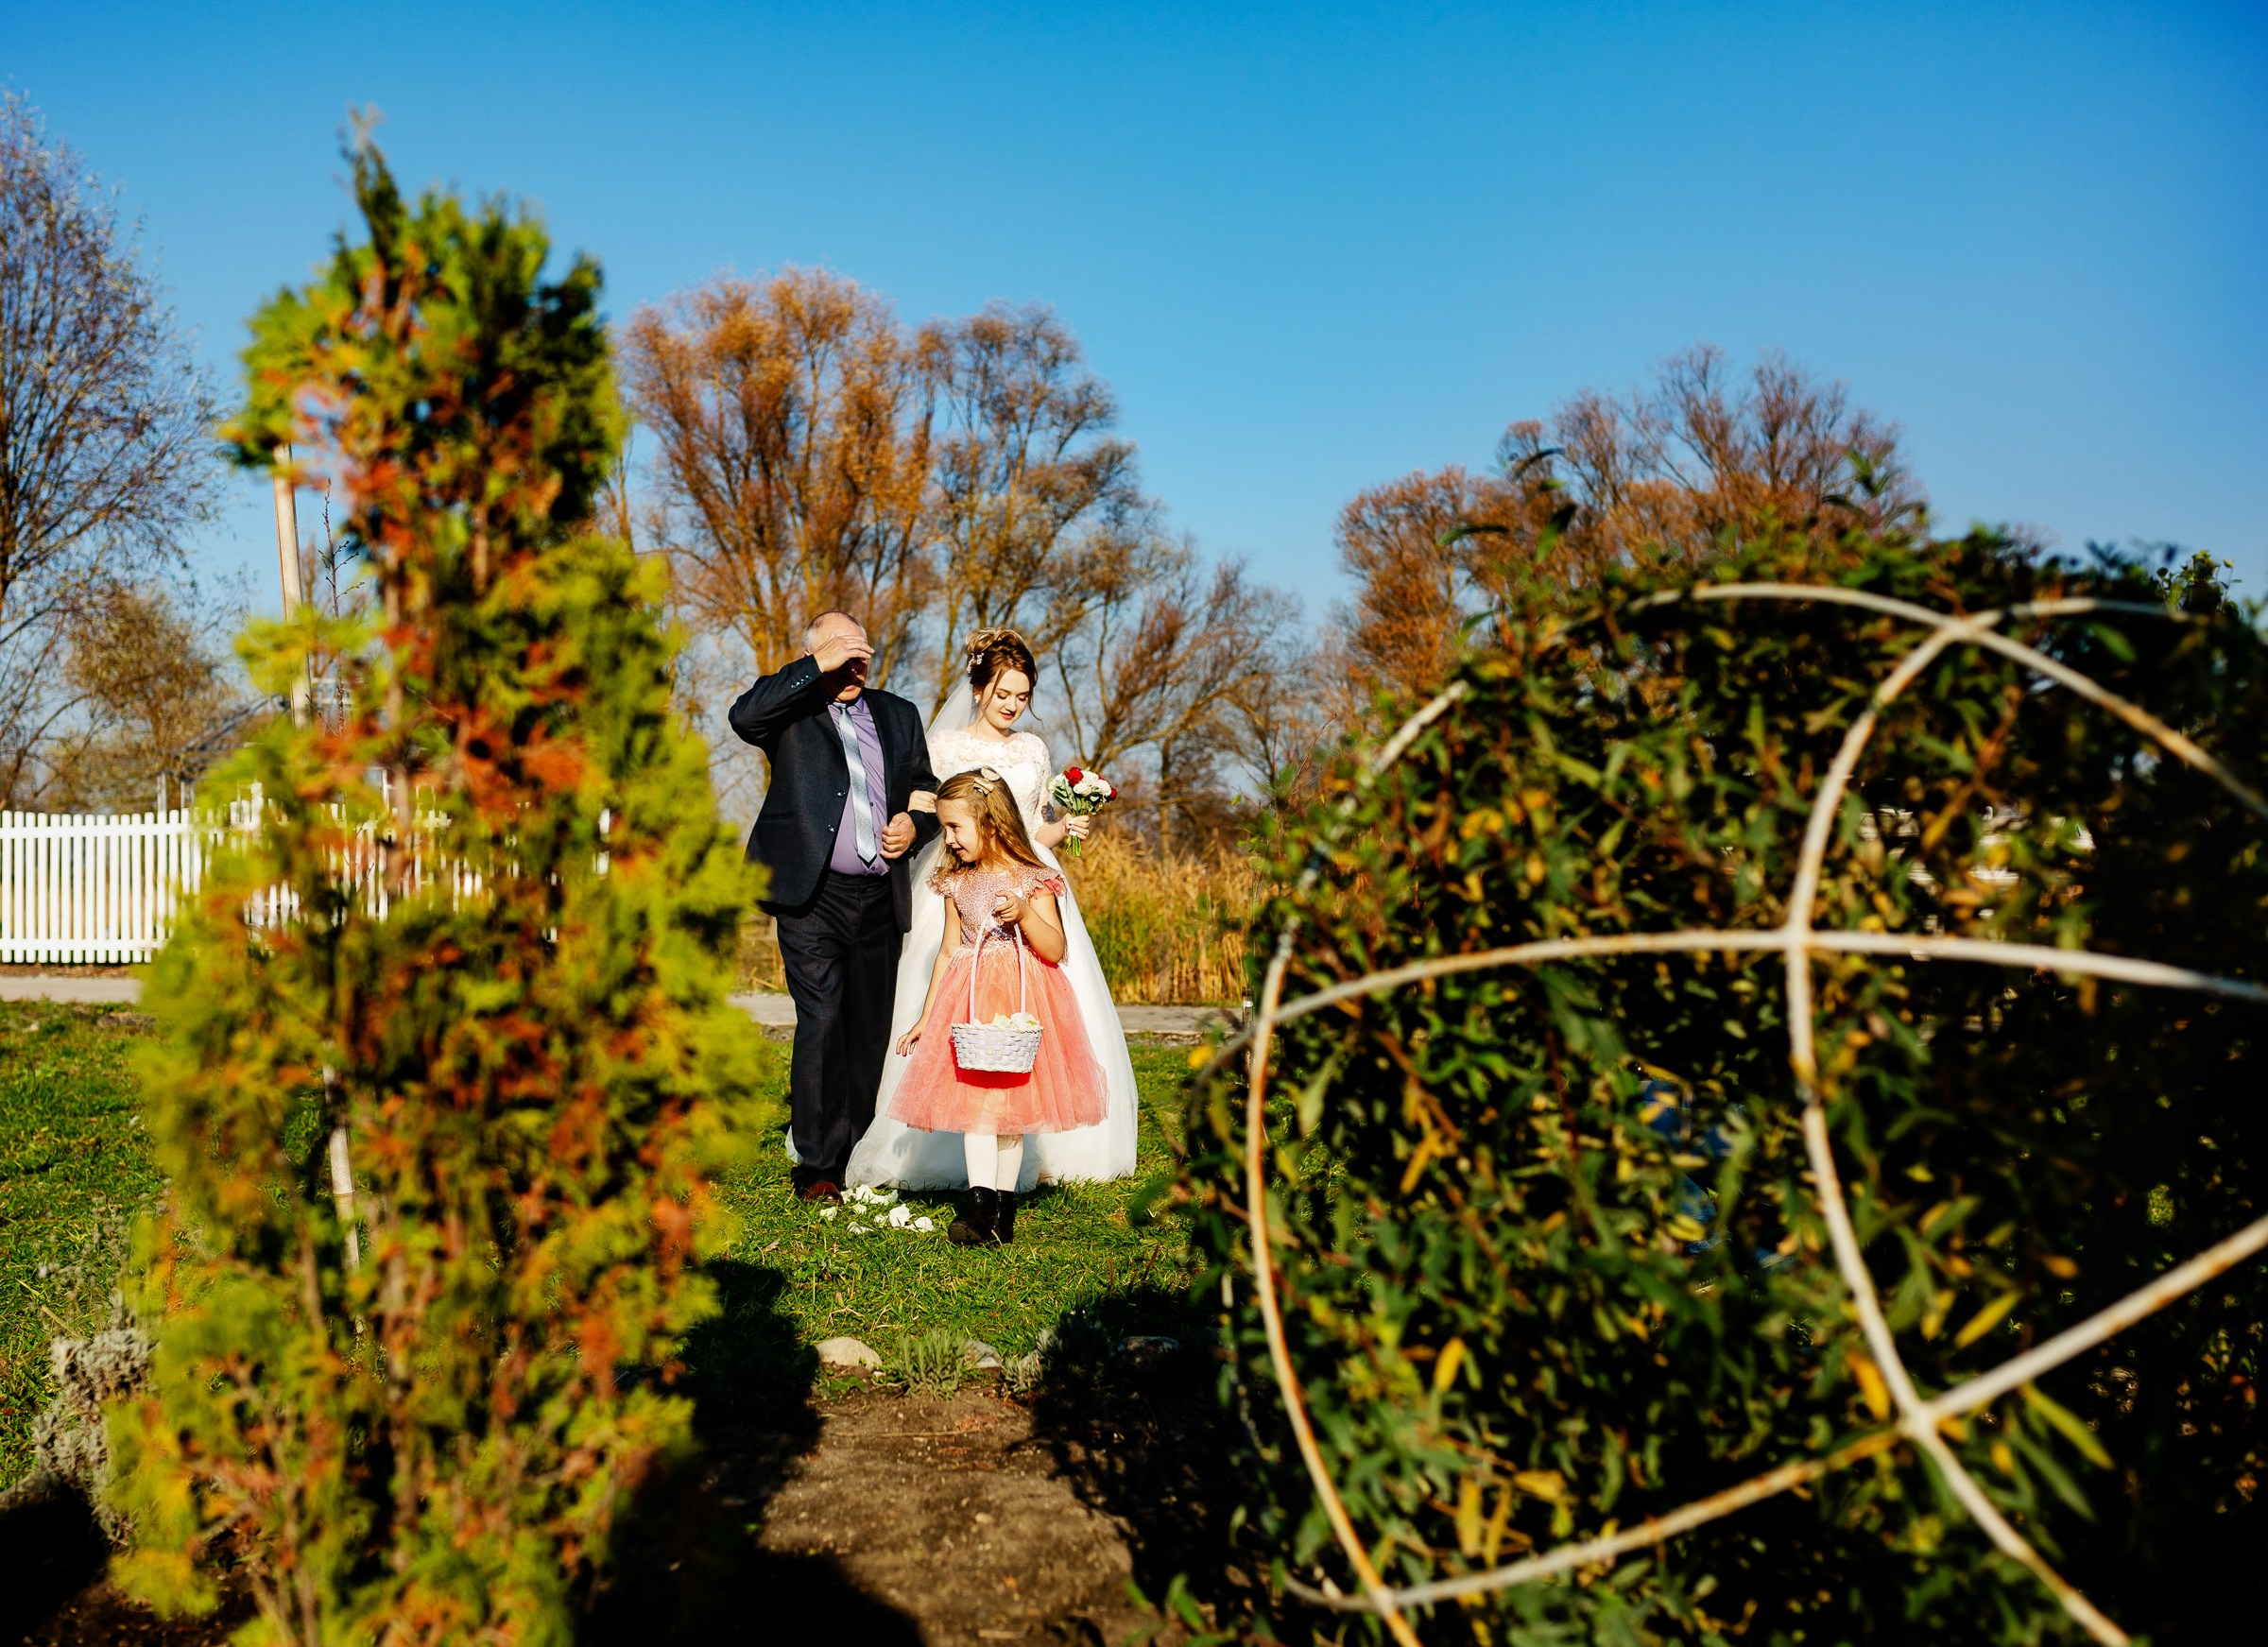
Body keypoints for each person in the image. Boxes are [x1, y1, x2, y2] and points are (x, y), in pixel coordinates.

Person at [846, 627, 1140, 1189]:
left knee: (1048, 1002)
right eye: (1003, 694)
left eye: (1023, 697)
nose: (1012, 706)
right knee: (951, 992)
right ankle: (931, 1142)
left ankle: (1052, 1139)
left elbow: (1028, 832)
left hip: (1028, 882)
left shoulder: (1032, 750)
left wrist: (1064, 828)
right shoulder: (948, 746)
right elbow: (936, 817)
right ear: (979, 689)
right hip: (960, 880)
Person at [728, 611, 938, 1202]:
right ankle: (818, 1165)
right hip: (810, 896)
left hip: (879, 896)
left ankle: (862, 1152)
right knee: (821, 1021)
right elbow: (742, 715)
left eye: (860, 655)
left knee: (869, 1029)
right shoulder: (789, 711)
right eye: (839, 655)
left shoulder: (899, 714)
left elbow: (925, 783)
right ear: (816, 655)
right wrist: (818, 664)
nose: (852, 666)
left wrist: (915, 825)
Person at [886, 768, 1108, 1244]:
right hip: (968, 1001)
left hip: (1023, 1001)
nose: (948, 840)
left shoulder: (1034, 879)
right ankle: (980, 1205)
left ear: (989, 824)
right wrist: (927, 1017)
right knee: (978, 1107)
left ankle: (1001, 1213)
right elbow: (949, 949)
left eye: (955, 828)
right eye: (944, 828)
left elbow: (1054, 949)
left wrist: (1026, 914)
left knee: (1010, 1109)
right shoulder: (955, 881)